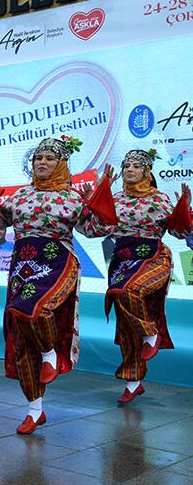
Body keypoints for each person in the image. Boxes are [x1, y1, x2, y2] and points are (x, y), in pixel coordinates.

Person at [0, 136, 103, 435]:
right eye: (37, 159)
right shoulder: (19, 196)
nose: (41, 163)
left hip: (57, 261)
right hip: (23, 265)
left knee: (38, 310)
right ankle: (35, 410)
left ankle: (50, 353)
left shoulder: (72, 197)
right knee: (20, 327)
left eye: (49, 158)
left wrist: (99, 199)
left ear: (61, 164)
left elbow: (95, 230)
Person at [83, 149, 191, 403]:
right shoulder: (115, 199)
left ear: (147, 172)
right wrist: (94, 201)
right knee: (126, 322)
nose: (129, 169)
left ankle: (152, 333)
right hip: (121, 260)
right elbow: (95, 230)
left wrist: (184, 208)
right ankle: (133, 381)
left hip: (153, 257)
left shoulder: (160, 200)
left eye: (135, 166)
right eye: (126, 165)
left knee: (130, 291)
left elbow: (179, 232)